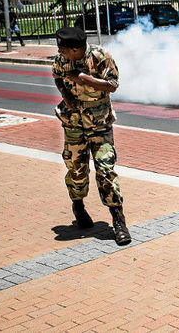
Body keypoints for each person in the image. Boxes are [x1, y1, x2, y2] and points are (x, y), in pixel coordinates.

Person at [52, 26, 131, 246]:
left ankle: (118, 220)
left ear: (76, 49)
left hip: (99, 123)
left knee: (105, 170)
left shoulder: (100, 56)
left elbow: (113, 85)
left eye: (63, 49)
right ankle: (78, 207)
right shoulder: (62, 59)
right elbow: (57, 75)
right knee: (76, 169)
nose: (60, 52)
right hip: (73, 123)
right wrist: (66, 95)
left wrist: (85, 79)